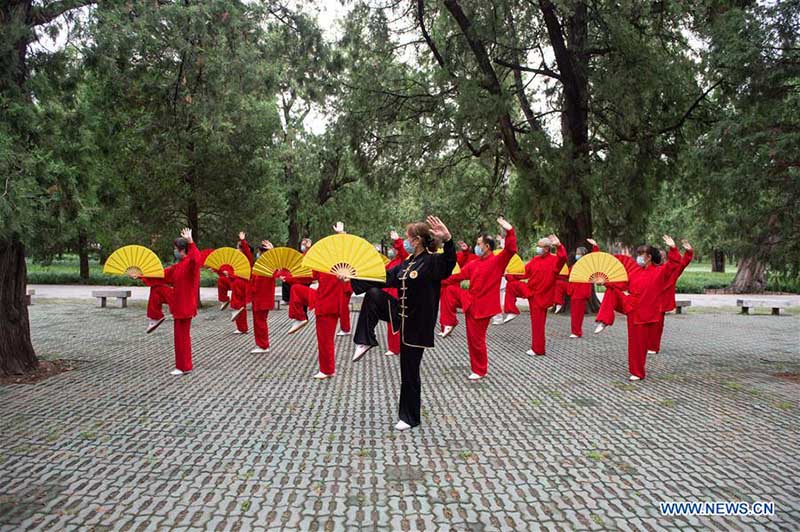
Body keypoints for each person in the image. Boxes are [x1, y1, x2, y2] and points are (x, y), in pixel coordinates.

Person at [350, 216, 456, 431]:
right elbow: (382, 277)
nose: (406, 242)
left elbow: (448, 264)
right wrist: (353, 276)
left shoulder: (433, 261)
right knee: (372, 294)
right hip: (401, 314)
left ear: (416, 240)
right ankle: (365, 340)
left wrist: (448, 239)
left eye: (408, 238)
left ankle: (410, 417)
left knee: (409, 371)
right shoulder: (407, 263)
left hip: (418, 325)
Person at [438, 217, 517, 380]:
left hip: (483, 308)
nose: (477, 246)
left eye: (479, 244)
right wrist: (435, 280)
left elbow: (510, 250)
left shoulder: (497, 261)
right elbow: (457, 276)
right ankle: (449, 321)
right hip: (471, 303)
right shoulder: (474, 264)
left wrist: (509, 231)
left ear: (487, 246)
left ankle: (480, 370)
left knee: (477, 341)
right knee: (450, 289)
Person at [597, 235, 681, 381]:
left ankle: (638, 371)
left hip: (648, 312)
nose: (638, 258)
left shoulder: (660, 271)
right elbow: (622, 285)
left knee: (640, 344)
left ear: (648, 257)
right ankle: (604, 320)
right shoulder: (634, 271)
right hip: (632, 308)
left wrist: (673, 248)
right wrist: (604, 282)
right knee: (612, 291)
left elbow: (675, 264)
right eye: (638, 255)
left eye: (641, 255)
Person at [131, 228, 200, 375]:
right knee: (157, 288)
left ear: (182, 250)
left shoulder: (190, 263)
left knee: (182, 337)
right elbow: (160, 274)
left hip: (185, 305)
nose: (174, 251)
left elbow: (196, 259)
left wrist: (191, 241)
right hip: (177, 300)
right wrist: (140, 275)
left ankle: (184, 367)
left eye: (175, 249)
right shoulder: (178, 266)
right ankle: (156, 317)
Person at [505, 235, 567, 356]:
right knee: (511, 285)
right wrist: (509, 274)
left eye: (540, 246)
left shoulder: (555, 261)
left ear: (547, 249)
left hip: (542, 296)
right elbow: (523, 272)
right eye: (537, 245)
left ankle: (538, 349)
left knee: (537, 324)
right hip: (531, 291)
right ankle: (511, 310)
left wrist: (559, 246)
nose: (538, 248)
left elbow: (563, 258)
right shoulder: (535, 260)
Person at [649, 239, 693, 354]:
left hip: (660, 302)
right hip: (649, 300)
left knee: (657, 326)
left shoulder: (670, 270)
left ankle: (653, 347)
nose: (661, 258)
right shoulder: (649, 268)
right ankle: (648, 345)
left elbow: (682, 263)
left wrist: (688, 252)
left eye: (663, 256)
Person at [382, 230, 409, 356]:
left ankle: (395, 348)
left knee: (395, 323)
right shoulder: (393, 261)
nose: (395, 250)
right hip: (390, 294)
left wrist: (398, 240)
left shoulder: (404, 259)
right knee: (392, 322)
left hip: (397, 295)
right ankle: (394, 347)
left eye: (396, 248)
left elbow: (404, 252)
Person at [282, 238, 315, 334]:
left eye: (305, 244)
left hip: (324, 295)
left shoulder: (310, 257)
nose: (303, 245)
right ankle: (301, 316)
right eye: (302, 243)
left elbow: (309, 262)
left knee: (296, 291)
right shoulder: (300, 257)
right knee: (296, 290)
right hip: (304, 280)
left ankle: (301, 316)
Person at [250, 240, 276, 354]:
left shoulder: (268, 265)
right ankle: (261, 344)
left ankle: (263, 345)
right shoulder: (260, 265)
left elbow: (276, 264)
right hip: (259, 298)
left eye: (261, 252)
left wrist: (272, 251)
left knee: (260, 322)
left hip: (262, 298)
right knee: (258, 322)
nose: (259, 254)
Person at [565, 245, 592, 338]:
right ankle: (575, 331)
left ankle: (577, 332)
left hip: (581, 293)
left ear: (584, 255)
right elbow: (567, 274)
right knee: (574, 313)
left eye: (579, 253)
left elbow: (595, 259)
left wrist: (595, 246)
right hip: (574, 292)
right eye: (577, 253)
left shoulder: (587, 266)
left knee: (578, 313)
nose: (577, 255)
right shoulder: (574, 266)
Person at [229, 232, 254, 334]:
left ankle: (242, 327)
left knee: (238, 305)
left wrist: (243, 240)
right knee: (239, 307)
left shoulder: (247, 258)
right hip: (238, 283)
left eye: (238, 248)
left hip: (241, 283)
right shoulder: (238, 260)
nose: (236, 249)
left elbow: (247, 251)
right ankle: (241, 328)